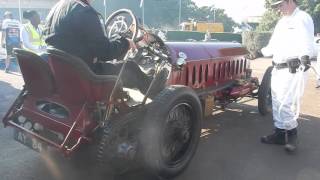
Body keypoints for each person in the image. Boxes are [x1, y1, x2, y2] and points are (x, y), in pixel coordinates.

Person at [43, 0, 168, 96]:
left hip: (63, 72)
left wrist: (115, 40)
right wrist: (125, 43)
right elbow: (105, 52)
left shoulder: (56, 9)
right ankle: (157, 93)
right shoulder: (85, 11)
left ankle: (148, 80)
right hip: (85, 75)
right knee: (131, 67)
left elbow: (81, 41)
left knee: (122, 66)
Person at [260, 0, 315, 152]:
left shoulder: (303, 17)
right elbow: (273, 45)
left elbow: (308, 42)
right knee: (277, 102)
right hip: (278, 68)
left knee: (288, 104)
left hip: (293, 69)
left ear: (290, 1)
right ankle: (279, 133)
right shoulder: (282, 22)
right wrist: (261, 51)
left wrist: (305, 56)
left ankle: (292, 136)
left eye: (280, 5)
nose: (278, 9)